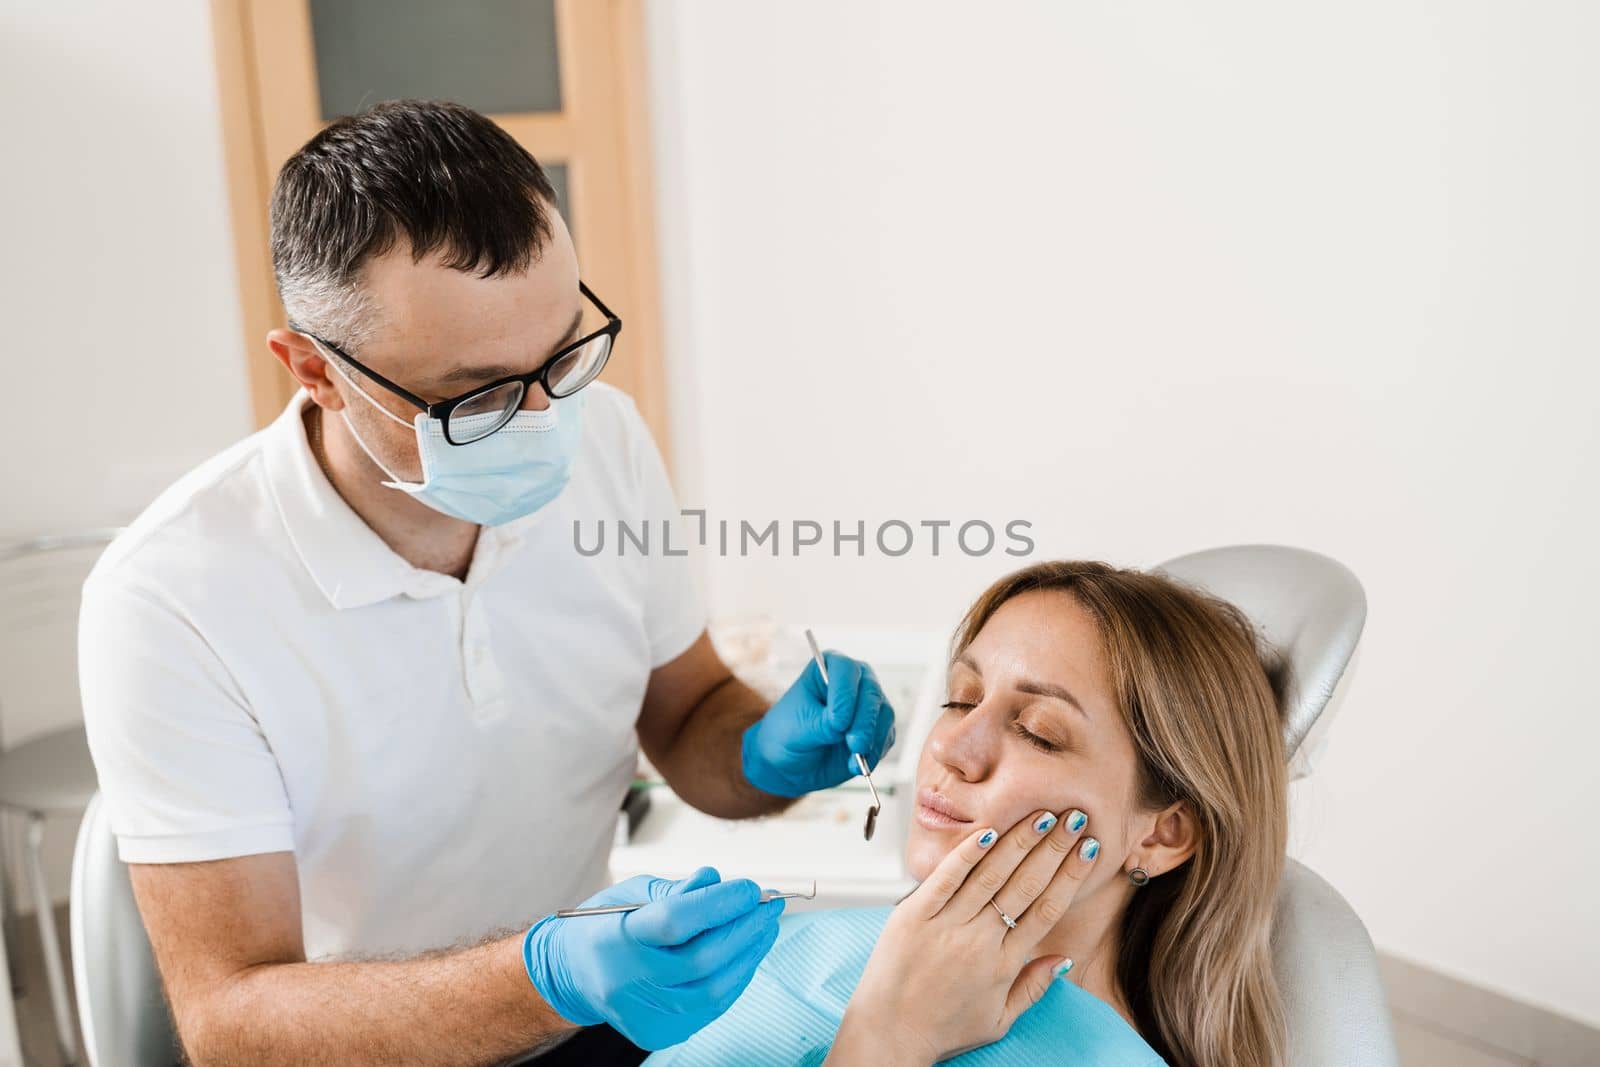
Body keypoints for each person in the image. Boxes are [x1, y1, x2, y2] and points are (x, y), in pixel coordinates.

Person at [77, 100, 894, 1066]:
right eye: (478, 393)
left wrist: (759, 750)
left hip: (587, 1024)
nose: (543, 418)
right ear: (316, 372)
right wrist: (541, 975)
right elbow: (233, 1020)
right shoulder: (172, 599)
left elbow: (686, 717)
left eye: (562, 355)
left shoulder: (607, 441)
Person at [644, 560, 1290, 1066]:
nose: (950, 746)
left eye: (1038, 730)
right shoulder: (847, 944)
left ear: (1164, 832)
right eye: (961, 698)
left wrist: (888, 1038)